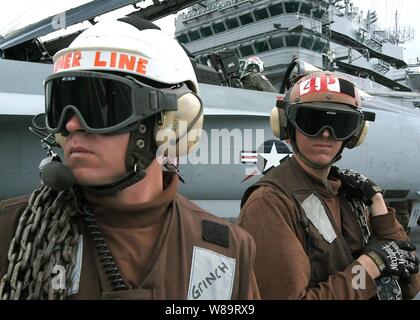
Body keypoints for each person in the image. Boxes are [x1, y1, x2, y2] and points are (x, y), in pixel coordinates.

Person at [0, 16, 260, 300]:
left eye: (99, 106)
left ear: (170, 123)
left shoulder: (230, 251)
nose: (72, 124)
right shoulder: (11, 229)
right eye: (61, 104)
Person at [238, 71, 420, 299]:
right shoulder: (270, 203)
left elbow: (409, 283)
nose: (325, 134)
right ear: (287, 124)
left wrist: (378, 206)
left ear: (355, 134)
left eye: (339, 123)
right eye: (312, 121)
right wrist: (369, 267)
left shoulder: (350, 195)